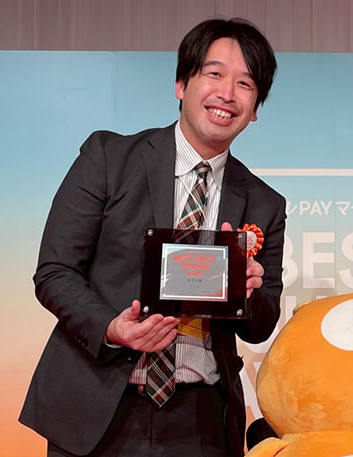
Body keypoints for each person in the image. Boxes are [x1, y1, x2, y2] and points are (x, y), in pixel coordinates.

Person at [19, 18, 285, 457]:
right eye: (214, 74)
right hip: (98, 405)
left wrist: (248, 292)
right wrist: (112, 328)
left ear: (255, 108)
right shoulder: (109, 158)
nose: (227, 93)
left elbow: (261, 324)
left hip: (201, 421)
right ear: (181, 84)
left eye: (245, 84)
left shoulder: (264, 203)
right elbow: (55, 271)